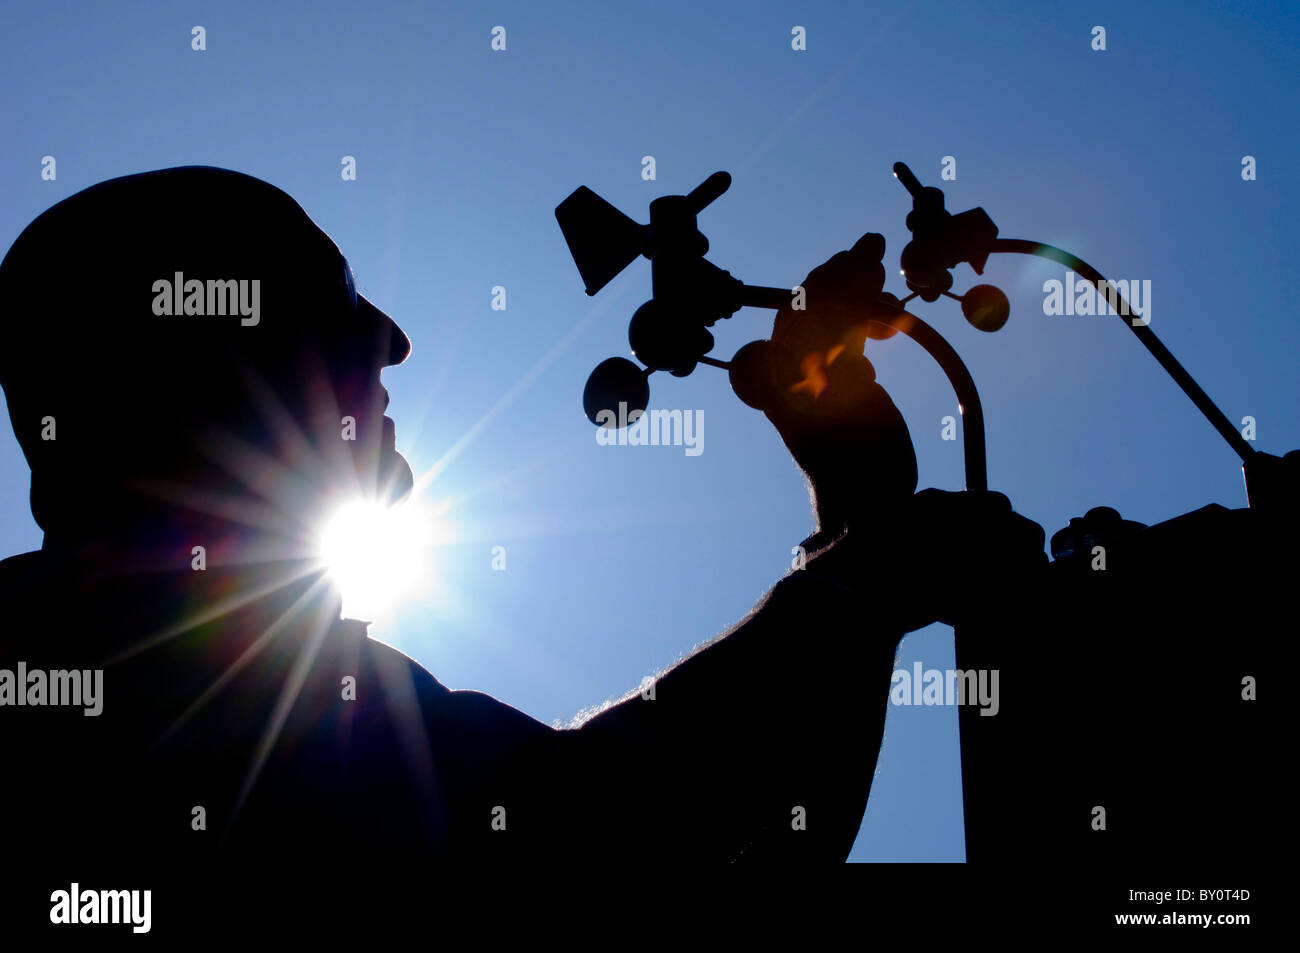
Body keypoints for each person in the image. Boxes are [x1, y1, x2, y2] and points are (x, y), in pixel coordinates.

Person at [0, 167, 1046, 876]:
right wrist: (857, 587)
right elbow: (608, 842)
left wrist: (856, 534)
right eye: (333, 302)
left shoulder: (223, 662)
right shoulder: (124, 671)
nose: (391, 340)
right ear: (201, 367)